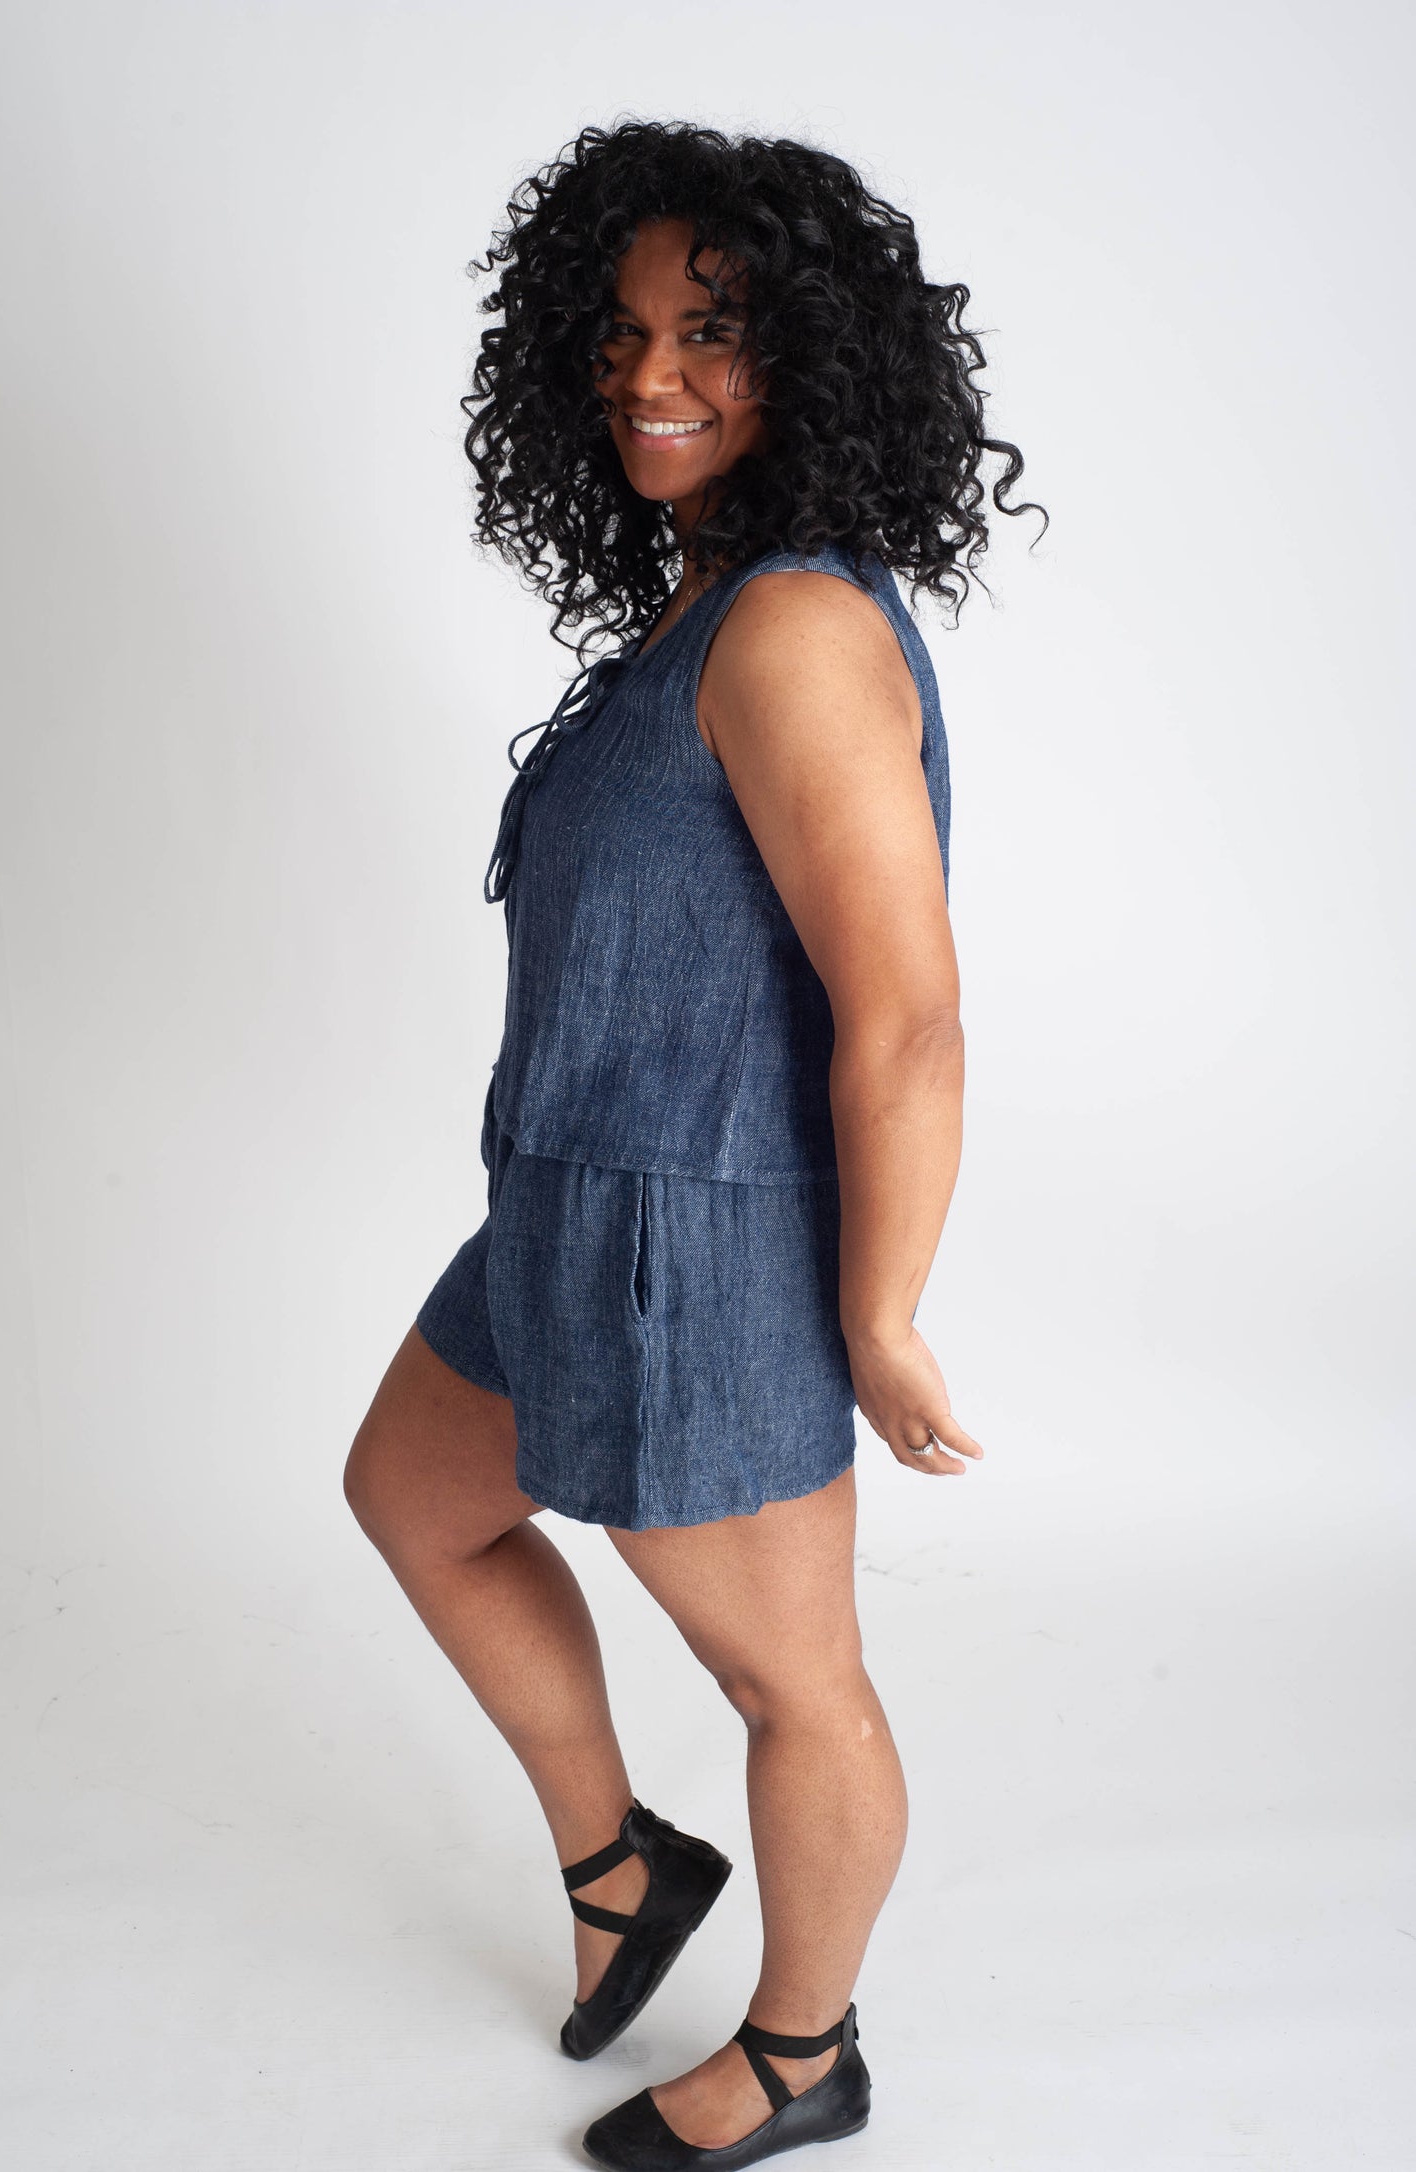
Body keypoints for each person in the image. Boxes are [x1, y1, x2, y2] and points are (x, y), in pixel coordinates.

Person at [343, 118, 1043, 2170]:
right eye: (626, 331)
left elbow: (906, 1012)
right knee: (414, 1493)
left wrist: (885, 1314)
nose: (657, 373)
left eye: (715, 333)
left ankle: (806, 2055)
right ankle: (625, 1869)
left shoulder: (797, 633)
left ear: (809, 361)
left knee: (793, 1690)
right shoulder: (698, 612)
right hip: (566, 1202)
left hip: (698, 1251)